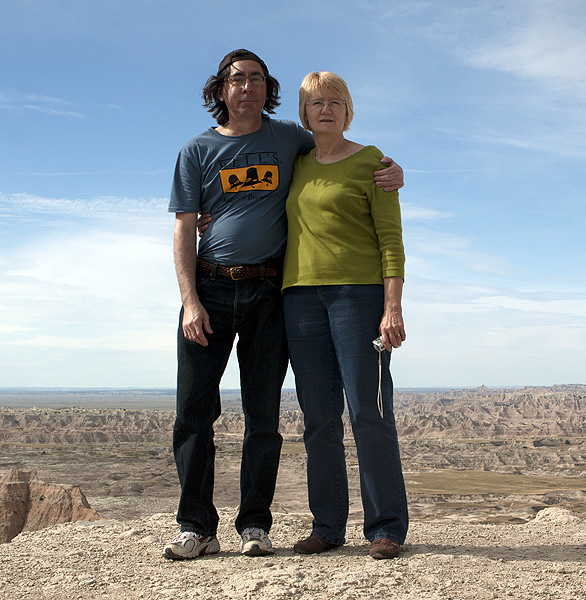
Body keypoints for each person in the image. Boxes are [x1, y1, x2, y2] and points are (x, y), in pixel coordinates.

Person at [163, 50, 405, 560]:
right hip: (242, 291)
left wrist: (393, 170)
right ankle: (211, 527)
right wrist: (189, 297)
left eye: (256, 79)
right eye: (236, 80)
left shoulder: (313, 147)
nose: (246, 87)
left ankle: (280, 525)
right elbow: (186, 225)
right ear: (221, 90)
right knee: (212, 414)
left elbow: (375, 208)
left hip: (294, 294)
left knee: (290, 416)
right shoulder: (209, 151)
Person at [282, 71, 409, 559]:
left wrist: (391, 305)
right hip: (299, 299)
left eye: (336, 101)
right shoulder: (296, 163)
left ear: (348, 109)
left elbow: (391, 241)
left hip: (358, 298)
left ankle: (386, 527)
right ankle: (327, 525)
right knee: (318, 418)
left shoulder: (373, 162)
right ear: (305, 113)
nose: (326, 109)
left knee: (368, 411)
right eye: (316, 103)